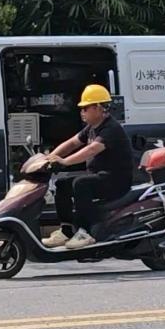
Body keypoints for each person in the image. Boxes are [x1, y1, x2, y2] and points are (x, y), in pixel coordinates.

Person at [42, 84, 134, 249]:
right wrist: (50, 157)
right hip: (100, 176)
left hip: (116, 180)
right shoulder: (92, 127)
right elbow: (72, 142)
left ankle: (87, 232)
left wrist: (64, 161)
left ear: (98, 108)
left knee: (81, 184)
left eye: (85, 108)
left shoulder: (111, 129)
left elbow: (91, 149)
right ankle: (67, 230)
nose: (82, 112)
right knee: (62, 185)